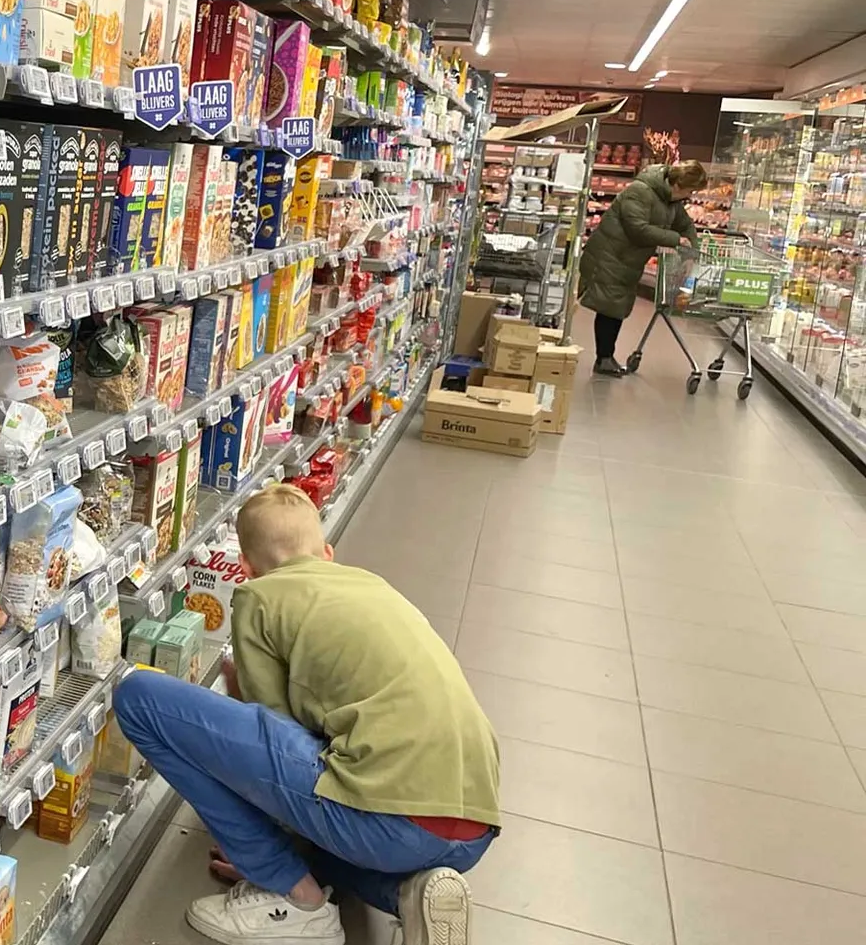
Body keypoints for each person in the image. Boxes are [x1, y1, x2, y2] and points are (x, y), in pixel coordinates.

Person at [112, 485, 500, 945]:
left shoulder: (259, 595)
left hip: (386, 817)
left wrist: (256, 844)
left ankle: (294, 898)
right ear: (328, 553)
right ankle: (410, 895)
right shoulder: (371, 584)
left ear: (246, 569)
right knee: (316, 841)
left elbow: (273, 734)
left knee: (139, 696)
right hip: (471, 825)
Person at [577, 159, 706, 376]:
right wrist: (676, 240)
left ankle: (606, 358)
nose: (690, 196)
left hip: (627, 259)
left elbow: (684, 224)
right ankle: (604, 359)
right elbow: (637, 229)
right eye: (690, 190)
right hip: (609, 255)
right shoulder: (640, 192)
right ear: (677, 185)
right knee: (611, 307)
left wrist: (693, 247)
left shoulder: (670, 200)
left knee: (616, 306)